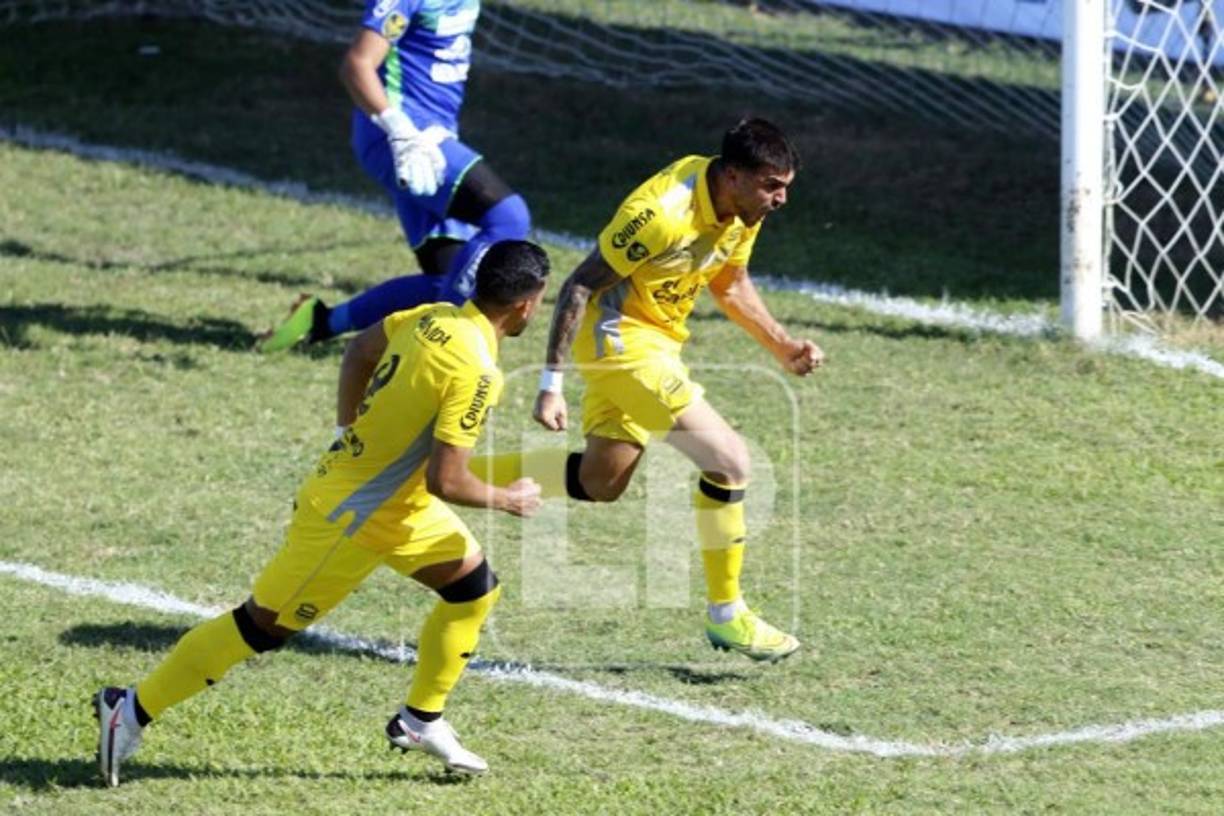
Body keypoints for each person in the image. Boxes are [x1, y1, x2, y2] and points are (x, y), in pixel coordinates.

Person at [95, 240, 550, 786]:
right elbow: (447, 480)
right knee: (260, 627)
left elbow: (359, 350)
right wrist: (508, 498)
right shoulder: (477, 371)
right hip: (350, 519)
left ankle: (420, 719)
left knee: (473, 589)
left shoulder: (431, 317)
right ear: (527, 304)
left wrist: (345, 432)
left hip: (399, 508)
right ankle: (130, 708)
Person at [469, 118, 822, 663]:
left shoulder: (741, 209)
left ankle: (439, 473)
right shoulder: (659, 214)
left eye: (786, 187)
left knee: (601, 481)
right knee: (730, 462)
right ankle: (727, 614)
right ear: (732, 175)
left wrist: (781, 345)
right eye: (771, 186)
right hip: (620, 345)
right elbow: (579, 284)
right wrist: (550, 385)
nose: (780, 199)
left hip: (659, 343)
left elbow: (729, 282)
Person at [258, 0, 532, 352]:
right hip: (401, 137)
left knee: (449, 280)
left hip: (433, 140)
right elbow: (357, 64)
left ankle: (320, 321)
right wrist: (400, 131)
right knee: (509, 216)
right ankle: (444, 346)